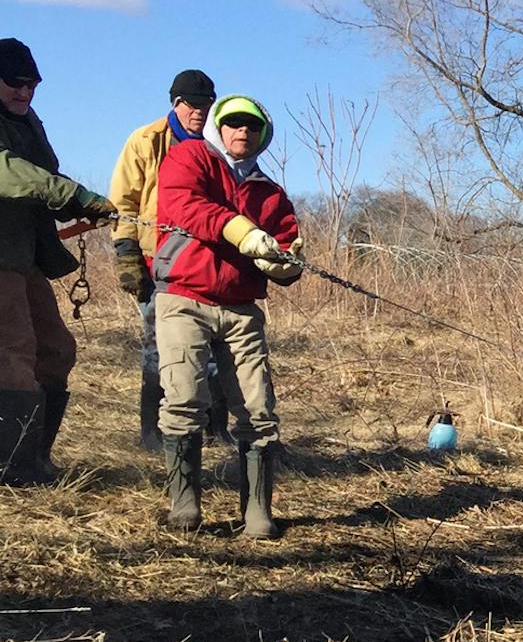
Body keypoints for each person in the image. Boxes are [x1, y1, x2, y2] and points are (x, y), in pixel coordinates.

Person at [152, 93, 301, 536]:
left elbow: (286, 243)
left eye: (251, 126)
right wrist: (241, 230)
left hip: (241, 309)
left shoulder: (271, 193)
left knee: (258, 411)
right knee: (182, 400)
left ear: (262, 136)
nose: (242, 131)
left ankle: (257, 514)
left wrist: (285, 263)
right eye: (234, 123)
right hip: (183, 297)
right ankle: (185, 508)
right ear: (219, 126)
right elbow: (184, 206)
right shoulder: (189, 157)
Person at [0, 38, 116, 486]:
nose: (24, 92)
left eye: (32, 85)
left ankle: (36, 458)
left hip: (26, 257)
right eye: (15, 82)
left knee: (56, 351)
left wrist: (84, 204)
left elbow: (46, 175)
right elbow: (9, 171)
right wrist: (71, 195)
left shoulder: (28, 122)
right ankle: (12, 471)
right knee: (12, 354)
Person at [111, 69, 231, 450]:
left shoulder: (219, 147)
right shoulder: (145, 140)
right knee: (157, 348)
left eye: (206, 105)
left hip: (207, 262)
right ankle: (153, 433)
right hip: (155, 260)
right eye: (192, 105)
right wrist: (126, 253)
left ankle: (215, 430)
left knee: (213, 348)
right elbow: (123, 202)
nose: (200, 112)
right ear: (175, 103)